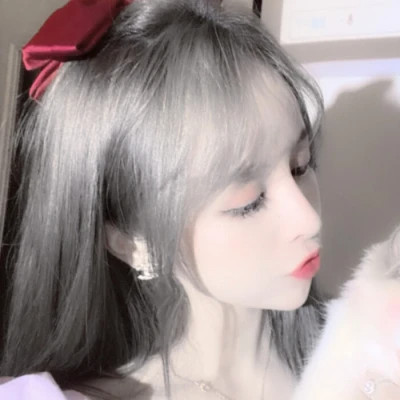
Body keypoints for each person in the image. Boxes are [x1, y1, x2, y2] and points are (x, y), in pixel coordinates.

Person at [1, 0, 396, 399]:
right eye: (249, 202)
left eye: (300, 166)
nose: (309, 219)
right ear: (132, 242)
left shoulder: (373, 354)